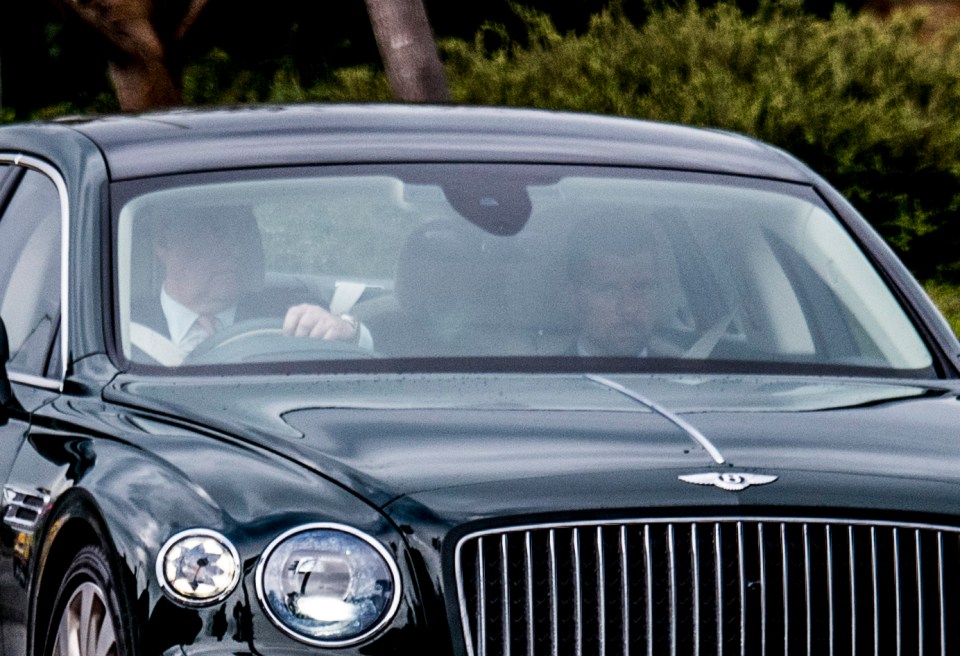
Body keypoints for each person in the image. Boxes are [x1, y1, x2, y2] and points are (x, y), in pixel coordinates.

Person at [130, 208, 370, 364]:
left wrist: (348, 331)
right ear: (163, 242)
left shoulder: (293, 312)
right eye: (217, 233)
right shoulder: (120, 328)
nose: (236, 250)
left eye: (241, 236)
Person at [565, 215, 679, 357]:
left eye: (642, 287)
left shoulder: (693, 373)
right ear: (573, 298)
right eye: (609, 290)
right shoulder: (539, 375)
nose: (629, 308)